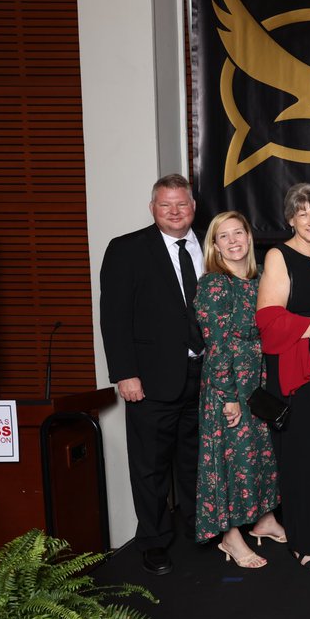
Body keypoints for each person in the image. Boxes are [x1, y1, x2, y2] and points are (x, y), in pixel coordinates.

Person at [100, 174, 204, 575]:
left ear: (192, 207)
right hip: (151, 380)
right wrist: (125, 374)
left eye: (182, 204)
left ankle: (201, 528)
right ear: (153, 209)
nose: (175, 212)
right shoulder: (127, 249)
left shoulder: (210, 244)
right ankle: (155, 540)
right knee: (150, 466)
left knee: (197, 460)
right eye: (166, 205)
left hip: (204, 375)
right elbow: (114, 318)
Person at [255, 183, 310, 569]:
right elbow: (267, 317)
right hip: (299, 365)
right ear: (290, 218)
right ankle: (303, 541)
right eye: (303, 212)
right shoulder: (280, 255)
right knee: (303, 454)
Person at [194, 210, 282, 569]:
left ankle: (263, 519)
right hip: (227, 384)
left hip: (256, 381)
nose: (233, 241)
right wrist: (228, 397)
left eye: (238, 233)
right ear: (214, 246)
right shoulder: (215, 284)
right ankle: (229, 536)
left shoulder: (258, 279)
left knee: (258, 454)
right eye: (224, 236)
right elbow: (215, 345)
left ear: (249, 236)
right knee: (229, 459)